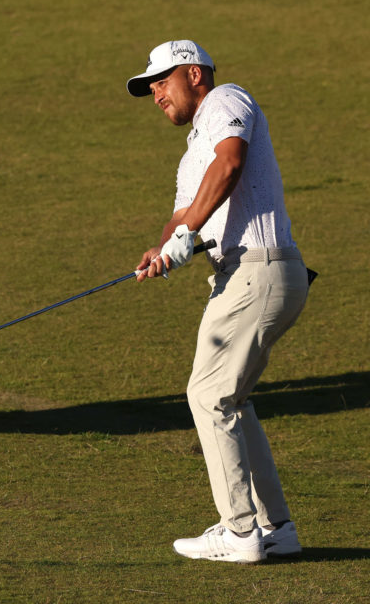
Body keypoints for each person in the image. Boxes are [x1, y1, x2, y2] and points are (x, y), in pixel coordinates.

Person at [127, 40, 310, 563]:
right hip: (248, 277)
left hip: (259, 270)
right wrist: (165, 247)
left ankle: (240, 531)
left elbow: (230, 166)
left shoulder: (226, 100)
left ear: (194, 73)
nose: (156, 94)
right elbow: (185, 211)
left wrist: (189, 231)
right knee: (233, 400)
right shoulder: (193, 150)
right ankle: (276, 528)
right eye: (150, 88)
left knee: (208, 398)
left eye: (162, 81)